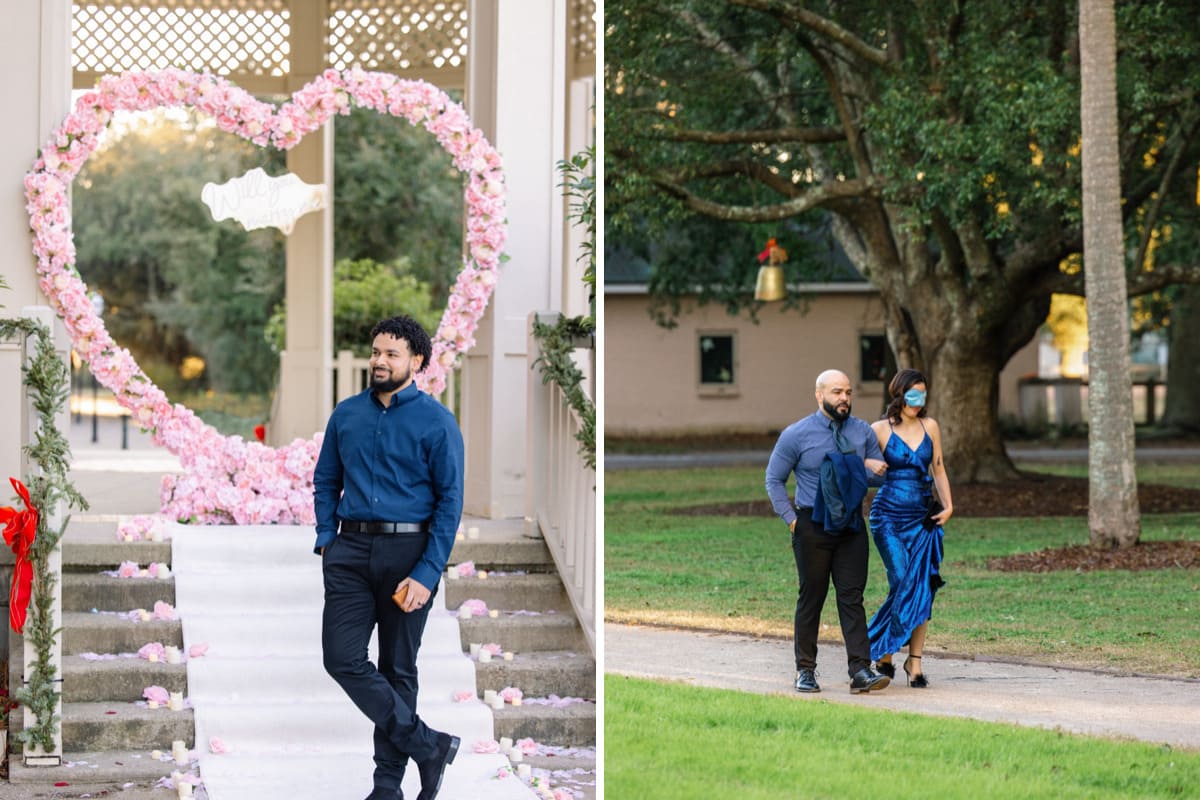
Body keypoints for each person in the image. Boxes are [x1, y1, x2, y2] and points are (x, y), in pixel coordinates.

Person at [313, 315, 463, 800]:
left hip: (408, 555)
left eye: (391, 354)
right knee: (341, 658)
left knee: (399, 669)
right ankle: (428, 745)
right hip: (350, 552)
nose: (379, 360)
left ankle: (386, 788)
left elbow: (449, 503)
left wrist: (427, 572)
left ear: (416, 362)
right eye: (376, 352)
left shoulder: (437, 422)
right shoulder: (347, 414)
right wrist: (326, 538)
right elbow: (325, 479)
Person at [766, 369, 892, 694]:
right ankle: (805, 671)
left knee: (852, 599)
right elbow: (774, 479)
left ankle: (860, 671)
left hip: (851, 526)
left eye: (848, 392)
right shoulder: (796, 435)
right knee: (812, 599)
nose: (845, 399)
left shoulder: (862, 432)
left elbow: (877, 475)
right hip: (812, 526)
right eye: (837, 392)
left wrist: (868, 467)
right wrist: (792, 520)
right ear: (819, 395)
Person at [866, 368, 953, 688]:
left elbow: (939, 469)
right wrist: (867, 463)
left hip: (922, 518)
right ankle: (882, 649)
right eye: (912, 395)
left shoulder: (931, 426)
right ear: (899, 395)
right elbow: (854, 459)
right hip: (887, 517)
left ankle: (913, 662)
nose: (918, 401)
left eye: (923, 395)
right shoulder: (878, 429)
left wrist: (949, 505)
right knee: (903, 581)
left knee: (922, 586)